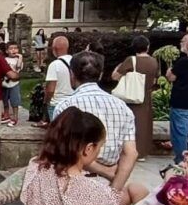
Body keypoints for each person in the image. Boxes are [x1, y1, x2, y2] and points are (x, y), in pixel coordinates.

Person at [53, 51, 138, 192]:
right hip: (107, 183)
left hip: (74, 181)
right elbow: (131, 153)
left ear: (71, 74)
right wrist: (114, 190)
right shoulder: (122, 107)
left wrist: (105, 171)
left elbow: (66, 150)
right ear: (100, 74)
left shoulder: (65, 107)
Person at [111, 35, 159, 160]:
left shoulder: (131, 60)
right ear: (147, 47)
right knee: (144, 125)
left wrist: (118, 67)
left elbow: (115, 76)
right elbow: (154, 80)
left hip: (131, 97)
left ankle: (129, 152)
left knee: (130, 125)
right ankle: (142, 152)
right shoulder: (154, 62)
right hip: (146, 96)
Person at [167, 34, 188, 163]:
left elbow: (171, 77)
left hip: (181, 103)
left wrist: (170, 69)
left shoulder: (183, 62)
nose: (181, 43)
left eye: (183, 41)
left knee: (180, 134)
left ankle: (181, 161)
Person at [42, 35, 73, 123]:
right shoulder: (76, 61)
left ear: (54, 49)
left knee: (58, 129)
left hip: (57, 103)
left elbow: (50, 90)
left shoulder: (54, 65)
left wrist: (46, 101)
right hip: (73, 103)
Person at [1, 41, 24, 126]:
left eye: (15, 48)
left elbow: (18, 68)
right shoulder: (4, 59)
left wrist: (20, 58)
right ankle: (6, 115)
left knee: (15, 101)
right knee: (4, 100)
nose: (14, 50)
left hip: (14, 83)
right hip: (5, 83)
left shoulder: (18, 60)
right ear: (7, 51)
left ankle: (15, 117)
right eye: (11, 48)